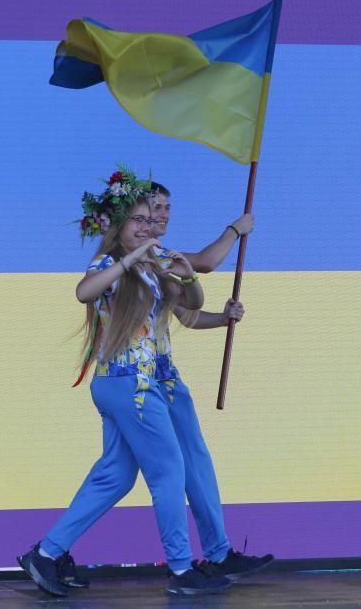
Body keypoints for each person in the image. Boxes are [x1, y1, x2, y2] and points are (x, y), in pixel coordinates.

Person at [17, 167, 233, 597]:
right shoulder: (109, 263)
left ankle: (46, 553)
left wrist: (192, 282)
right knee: (169, 470)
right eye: (138, 220)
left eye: (149, 221)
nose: (147, 226)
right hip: (129, 386)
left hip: (131, 385)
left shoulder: (150, 269)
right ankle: (179, 567)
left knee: (114, 477)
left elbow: (189, 308)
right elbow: (83, 292)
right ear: (118, 225)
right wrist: (130, 259)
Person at [149, 182, 275, 582]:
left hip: (165, 377)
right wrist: (235, 230)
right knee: (117, 476)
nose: (164, 214)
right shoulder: (140, 256)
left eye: (168, 206)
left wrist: (224, 320)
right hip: (135, 383)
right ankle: (52, 549)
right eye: (155, 207)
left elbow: (185, 315)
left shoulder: (159, 255)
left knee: (194, 462)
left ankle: (218, 553)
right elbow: (205, 262)